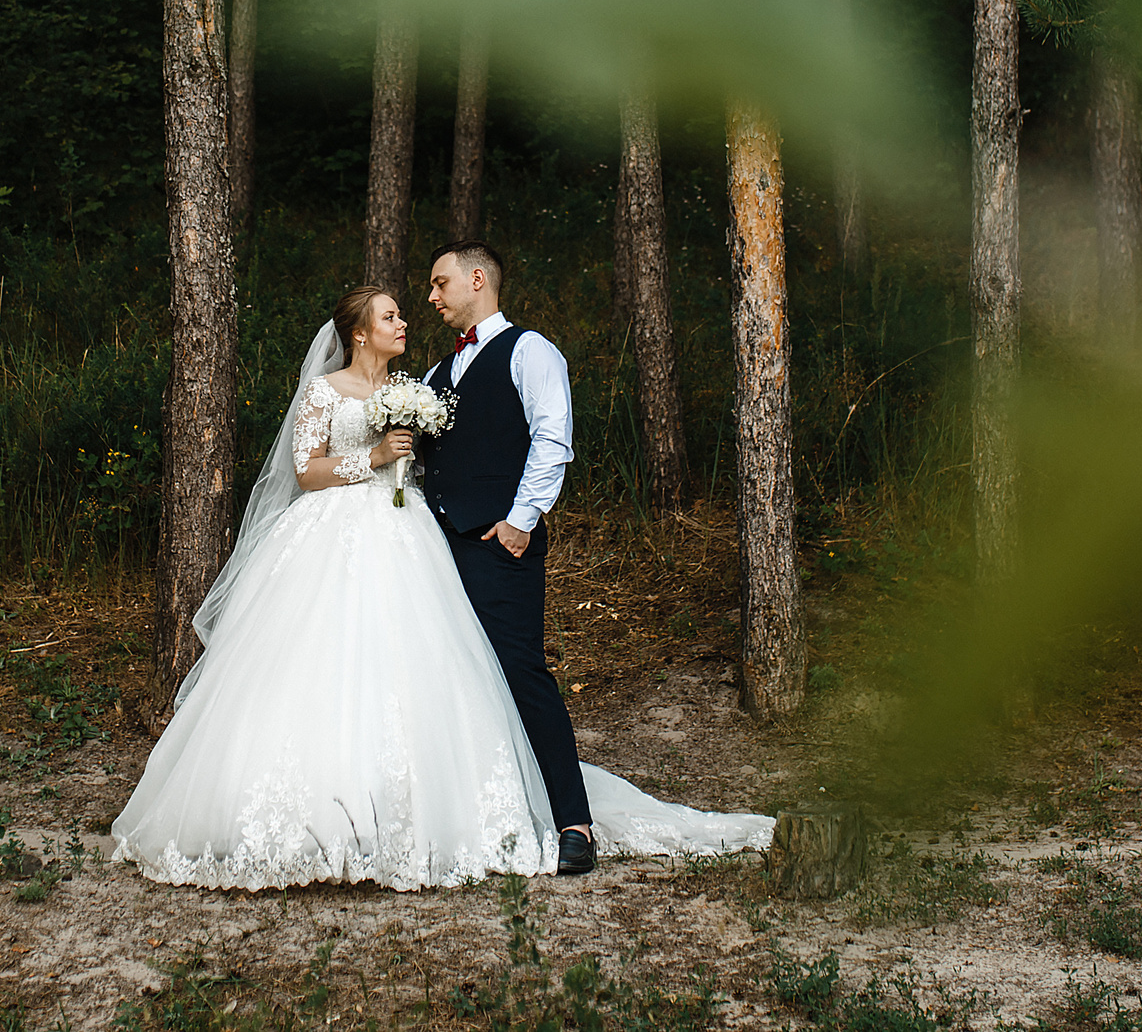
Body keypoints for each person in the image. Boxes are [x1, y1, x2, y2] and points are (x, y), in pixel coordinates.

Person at [111, 265, 774, 893]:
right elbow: (307, 470)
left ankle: (537, 816)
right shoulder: (360, 385)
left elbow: (528, 442)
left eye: (427, 292)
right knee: (326, 665)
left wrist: (511, 512)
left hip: (424, 536)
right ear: (359, 333)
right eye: (391, 315)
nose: (411, 315)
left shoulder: (467, 371)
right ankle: (328, 812)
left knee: (450, 667)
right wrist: (376, 456)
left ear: (475, 280)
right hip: (344, 537)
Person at [415, 240, 596, 873]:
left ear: (476, 279)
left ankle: (575, 823)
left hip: (498, 544)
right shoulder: (435, 374)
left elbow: (552, 437)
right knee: (449, 675)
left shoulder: (530, 351)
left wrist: (522, 520)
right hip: (436, 548)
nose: (431, 297)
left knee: (521, 670)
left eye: (439, 283)